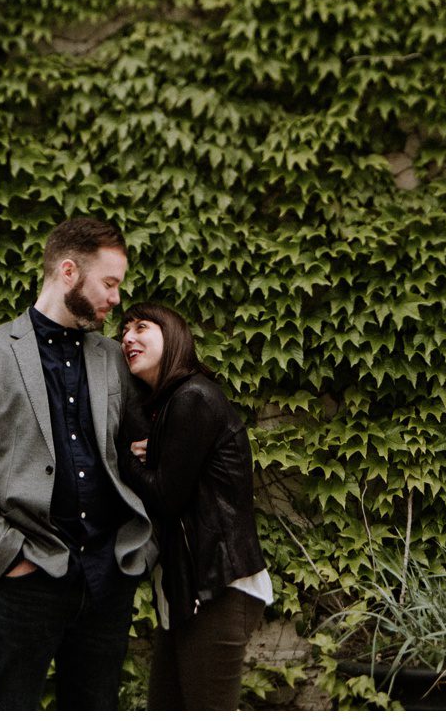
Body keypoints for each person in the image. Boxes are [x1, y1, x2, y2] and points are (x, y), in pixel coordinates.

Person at [0, 217, 156, 710]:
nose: (117, 299)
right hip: (25, 576)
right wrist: (5, 555)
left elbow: (140, 452)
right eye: (110, 283)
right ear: (68, 272)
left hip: (107, 577)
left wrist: (142, 551)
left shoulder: (111, 357)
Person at [117, 303, 272, 710]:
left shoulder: (193, 398)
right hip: (186, 586)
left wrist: (123, 458)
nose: (127, 338)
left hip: (216, 584)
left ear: (173, 336)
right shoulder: (169, 404)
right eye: (123, 332)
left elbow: (166, 497)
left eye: (141, 327)